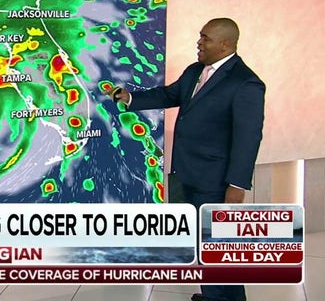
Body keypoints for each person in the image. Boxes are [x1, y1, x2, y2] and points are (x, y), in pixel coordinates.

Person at [105, 18, 265, 301]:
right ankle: (214, 295)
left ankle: (224, 298)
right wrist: (130, 98)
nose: (199, 42)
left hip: (215, 180)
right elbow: (169, 94)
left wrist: (237, 184)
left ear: (226, 44)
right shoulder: (195, 71)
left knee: (216, 247)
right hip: (184, 172)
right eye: (200, 36)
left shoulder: (246, 83)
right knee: (198, 243)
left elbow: (248, 138)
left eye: (206, 38)